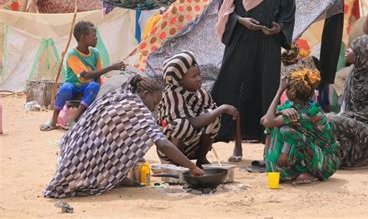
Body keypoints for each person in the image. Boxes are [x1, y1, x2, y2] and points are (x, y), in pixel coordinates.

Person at [44, 75, 203, 198]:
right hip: (82, 161)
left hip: (71, 148)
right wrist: (192, 167)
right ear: (146, 94)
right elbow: (162, 144)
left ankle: (118, 178)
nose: (154, 108)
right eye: (154, 103)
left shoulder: (121, 95)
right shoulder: (137, 107)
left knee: (126, 141)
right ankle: (109, 179)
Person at [212, 0, 296, 147]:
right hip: (240, 40)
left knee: (265, 85)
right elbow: (224, 9)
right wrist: (241, 21)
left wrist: (277, 29)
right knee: (232, 83)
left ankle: (262, 134)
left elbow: (287, 12)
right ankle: (225, 131)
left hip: (267, 44)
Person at [158, 51, 241, 166]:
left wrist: (217, 112)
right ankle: (177, 163)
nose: (199, 79)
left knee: (213, 118)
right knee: (183, 124)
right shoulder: (172, 94)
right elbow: (191, 122)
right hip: (169, 148)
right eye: (193, 77)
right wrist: (222, 108)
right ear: (180, 81)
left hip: (192, 146)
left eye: (199, 75)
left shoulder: (201, 93)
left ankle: (201, 159)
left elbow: (210, 115)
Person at [40, 21, 125, 131]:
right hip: (73, 86)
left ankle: (74, 120)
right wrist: (112, 67)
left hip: (87, 87)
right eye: (93, 35)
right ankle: (53, 119)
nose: (96, 38)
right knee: (66, 88)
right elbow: (86, 76)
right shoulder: (72, 55)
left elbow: (98, 74)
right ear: (83, 37)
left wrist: (98, 92)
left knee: (94, 86)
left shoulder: (95, 53)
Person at [261, 69, 340, 184]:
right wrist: (280, 112)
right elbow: (264, 120)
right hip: (315, 155)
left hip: (327, 163)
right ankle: (283, 169)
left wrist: (279, 90)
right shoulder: (293, 107)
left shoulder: (307, 112)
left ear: (291, 93)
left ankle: (289, 171)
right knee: (275, 127)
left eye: (287, 89)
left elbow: (268, 121)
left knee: (284, 130)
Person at [326, 35, 368, 167]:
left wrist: (345, 116)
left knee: (331, 120)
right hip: (356, 122)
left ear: (363, 53)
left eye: (353, 49)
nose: (348, 51)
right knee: (328, 120)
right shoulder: (354, 73)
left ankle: (364, 155)